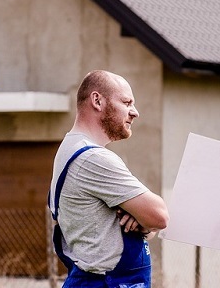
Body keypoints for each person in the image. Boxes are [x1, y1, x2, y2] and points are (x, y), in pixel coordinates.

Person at [49, 70, 169, 287]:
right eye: (127, 102)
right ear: (97, 101)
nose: (135, 112)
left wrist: (142, 223)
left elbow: (149, 225)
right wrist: (146, 217)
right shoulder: (93, 158)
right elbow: (160, 216)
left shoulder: (70, 149)